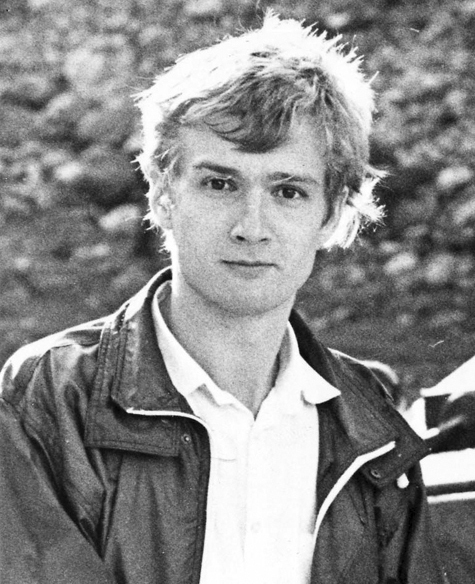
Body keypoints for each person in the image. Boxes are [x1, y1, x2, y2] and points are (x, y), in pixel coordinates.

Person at [0, 12, 447, 584]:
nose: (250, 227)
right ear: (162, 193)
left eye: (288, 191)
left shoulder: (371, 427)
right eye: (220, 183)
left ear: (331, 214)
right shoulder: (53, 396)